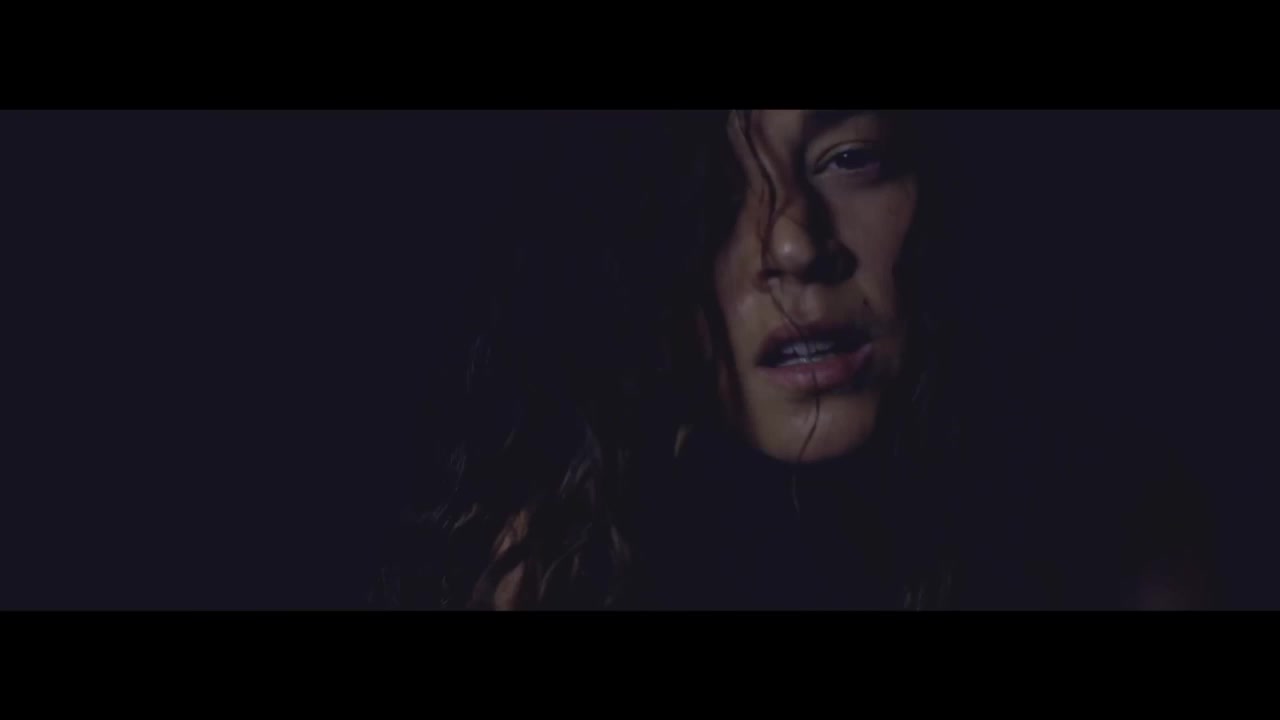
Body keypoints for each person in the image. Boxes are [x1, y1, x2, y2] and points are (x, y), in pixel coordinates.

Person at [372, 109, 1210, 610]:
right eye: (710, 186)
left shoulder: (1119, 545)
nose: (793, 243)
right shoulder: (544, 562)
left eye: (848, 158)